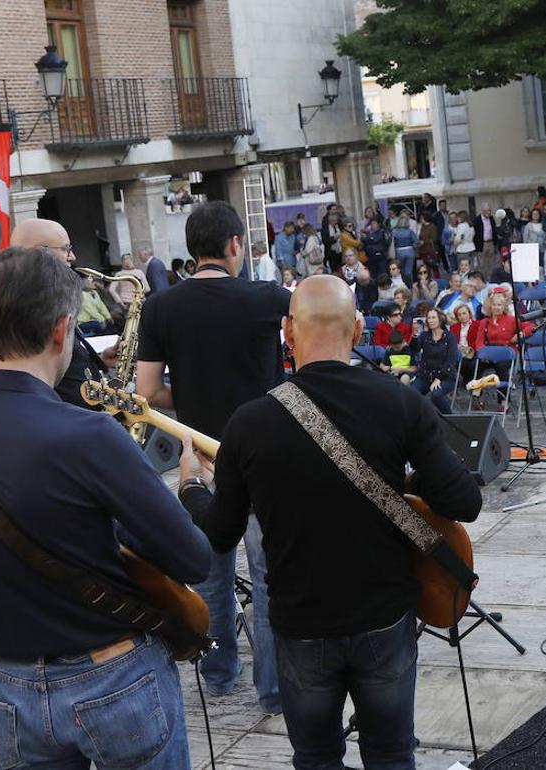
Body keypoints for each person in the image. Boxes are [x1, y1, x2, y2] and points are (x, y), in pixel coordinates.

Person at [0, 245, 214, 770]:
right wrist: (189, 486)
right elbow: (193, 561)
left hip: (7, 685)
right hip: (114, 678)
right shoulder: (90, 434)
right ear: (61, 328)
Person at [177, 275, 481, 769]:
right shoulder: (399, 401)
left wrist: (192, 487)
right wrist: (405, 472)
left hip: (302, 628)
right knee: (391, 755)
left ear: (287, 332)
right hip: (385, 618)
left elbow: (219, 534)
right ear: (358, 329)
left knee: (316, 758)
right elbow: (464, 501)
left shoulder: (249, 423)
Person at [135, 201, 289, 714]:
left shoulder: (161, 307)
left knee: (210, 577)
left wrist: (196, 391)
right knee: (269, 580)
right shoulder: (269, 297)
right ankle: (273, 691)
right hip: (266, 458)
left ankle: (219, 674)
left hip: (201, 460)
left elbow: (149, 392)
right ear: (233, 247)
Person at [11, 218, 109, 410]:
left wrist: (100, 360)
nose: (72, 257)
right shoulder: (26, 305)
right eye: (65, 249)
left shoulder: (46, 297)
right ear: (40, 252)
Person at [393, 212, 419, 278]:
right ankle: (409, 285)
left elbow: (393, 243)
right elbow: (416, 241)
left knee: (401, 270)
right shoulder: (410, 231)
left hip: (399, 251)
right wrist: (414, 247)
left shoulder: (395, 232)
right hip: (410, 251)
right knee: (409, 270)